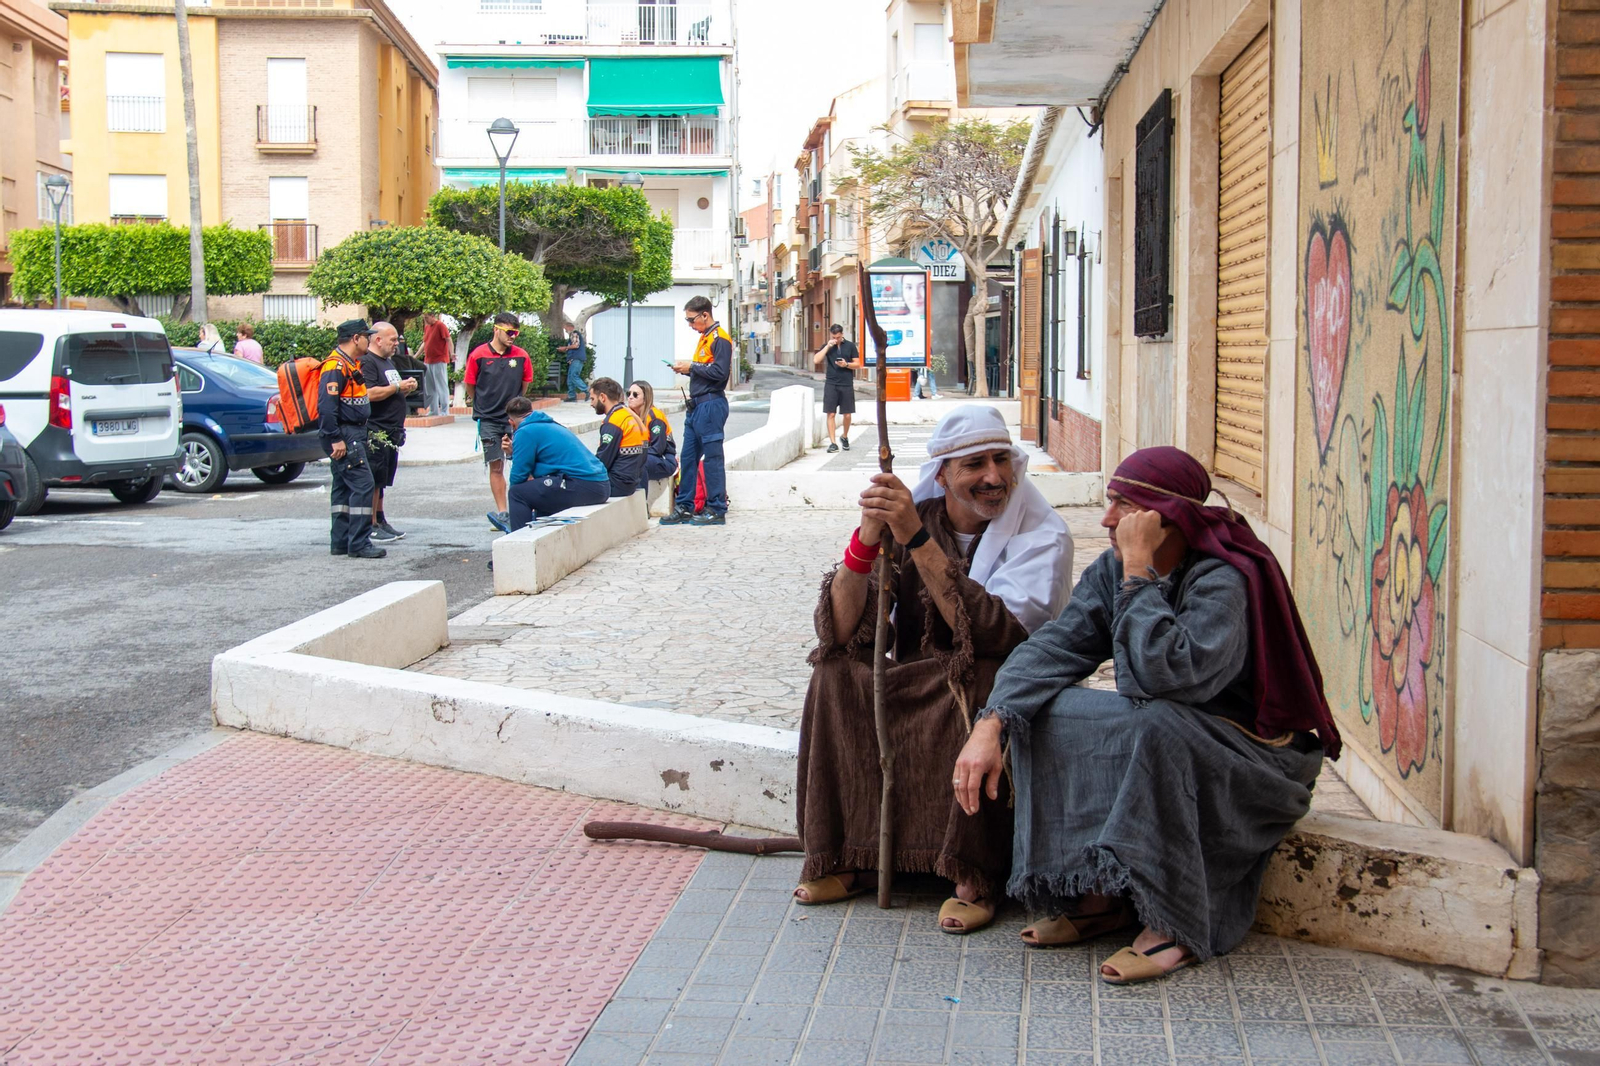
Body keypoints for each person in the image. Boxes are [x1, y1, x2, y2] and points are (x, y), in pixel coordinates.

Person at [953, 446, 1341, 984]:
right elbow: (1055, 648)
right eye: (1111, 502)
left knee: (1157, 722)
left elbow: (1171, 679)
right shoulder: (1112, 571)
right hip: (1179, 732)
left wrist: (1140, 575)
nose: (1108, 519)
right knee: (1051, 710)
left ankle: (1174, 922)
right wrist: (992, 720)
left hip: (1256, 756)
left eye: (1124, 506)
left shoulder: (1222, 580)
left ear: (1167, 518)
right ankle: (1096, 897)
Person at [794, 406, 1074, 935]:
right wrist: (866, 540)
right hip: (920, 683)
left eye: (1001, 461)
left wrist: (917, 541)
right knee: (835, 671)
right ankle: (851, 855)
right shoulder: (916, 517)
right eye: (975, 465)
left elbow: (998, 634)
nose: (993, 477)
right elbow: (840, 628)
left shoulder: (1044, 537)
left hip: (999, 695)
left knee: (980, 677)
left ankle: (973, 874)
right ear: (943, 473)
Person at [661, 295, 732, 526]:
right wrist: (688, 370)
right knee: (689, 457)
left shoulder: (720, 339)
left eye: (692, 320)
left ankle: (716, 508)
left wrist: (692, 366)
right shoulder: (704, 337)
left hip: (711, 405)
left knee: (712, 458)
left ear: (705, 314)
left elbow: (720, 373)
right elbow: (706, 370)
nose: (690, 325)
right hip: (697, 406)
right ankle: (685, 506)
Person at [318, 319, 385, 559]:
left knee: (343, 488)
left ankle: (341, 541)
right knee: (363, 484)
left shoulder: (349, 364)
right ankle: (359, 543)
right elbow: (326, 407)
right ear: (356, 338)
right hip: (346, 434)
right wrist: (335, 438)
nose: (369, 340)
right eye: (366, 336)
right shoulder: (336, 366)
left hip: (351, 432)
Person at [464, 312, 533, 532]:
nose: (513, 336)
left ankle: (526, 510)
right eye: (509, 332)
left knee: (524, 463)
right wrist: (481, 404)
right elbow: (470, 384)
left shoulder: (521, 355)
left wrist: (516, 407)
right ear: (496, 329)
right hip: (489, 419)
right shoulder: (479, 355)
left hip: (514, 419)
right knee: (496, 465)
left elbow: (525, 384)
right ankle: (503, 512)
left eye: (516, 332)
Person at [501, 396, 610, 530]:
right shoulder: (550, 424)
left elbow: (518, 476)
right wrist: (515, 454)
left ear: (511, 422)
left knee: (517, 494)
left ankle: (519, 538)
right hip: (599, 485)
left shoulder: (524, 432)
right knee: (540, 491)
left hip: (585, 485)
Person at [361, 321, 418, 544]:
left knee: (383, 479)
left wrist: (405, 387)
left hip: (391, 430)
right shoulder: (368, 362)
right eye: (393, 340)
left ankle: (381, 518)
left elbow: (391, 390)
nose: (397, 344)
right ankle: (371, 522)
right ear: (378, 339)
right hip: (376, 429)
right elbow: (368, 393)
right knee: (374, 478)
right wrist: (397, 388)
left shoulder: (387, 362)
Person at [587, 377, 647, 498]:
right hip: (632, 481)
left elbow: (603, 460)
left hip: (616, 483)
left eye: (593, 399)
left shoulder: (614, 422)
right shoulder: (629, 415)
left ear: (603, 397)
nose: (591, 404)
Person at [813, 324, 861, 453]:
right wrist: (828, 346)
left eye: (838, 337)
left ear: (842, 334)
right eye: (834, 337)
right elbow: (816, 360)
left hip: (846, 383)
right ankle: (833, 443)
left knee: (847, 414)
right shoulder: (827, 346)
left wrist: (846, 364)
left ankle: (844, 436)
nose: (836, 339)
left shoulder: (850, 346)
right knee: (831, 413)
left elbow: (858, 364)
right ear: (831, 335)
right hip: (831, 383)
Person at [627, 380, 678, 483]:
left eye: (635, 394)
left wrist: (634, 453)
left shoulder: (655, 418)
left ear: (645, 398)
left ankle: (641, 497)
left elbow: (657, 449)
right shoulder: (629, 416)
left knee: (639, 463)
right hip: (646, 455)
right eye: (628, 394)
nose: (630, 397)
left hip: (665, 460)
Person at [420, 313, 453, 416]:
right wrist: (416, 356)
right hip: (428, 360)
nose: (425, 320)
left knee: (441, 385)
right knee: (430, 387)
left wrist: (452, 353)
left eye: (426, 318)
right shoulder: (427, 328)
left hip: (439, 359)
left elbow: (448, 339)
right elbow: (425, 343)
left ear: (432, 316)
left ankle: (444, 410)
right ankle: (433, 410)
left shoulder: (440, 325)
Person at [563, 326, 589, 403]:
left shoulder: (574, 334)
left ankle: (587, 390)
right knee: (570, 378)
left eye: (566, 329)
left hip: (576, 359)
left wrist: (565, 348)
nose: (565, 331)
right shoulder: (574, 335)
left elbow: (575, 345)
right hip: (574, 359)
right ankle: (572, 396)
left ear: (570, 327)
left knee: (574, 376)